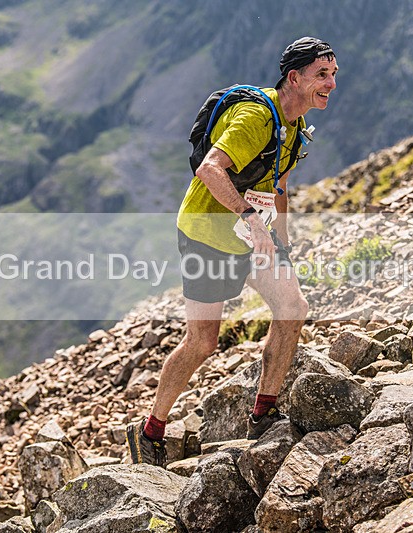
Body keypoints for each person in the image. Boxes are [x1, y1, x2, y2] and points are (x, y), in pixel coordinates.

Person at [127, 37, 338, 467]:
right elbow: (210, 169)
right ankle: (150, 430)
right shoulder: (255, 117)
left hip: (252, 234)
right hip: (208, 233)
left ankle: (263, 414)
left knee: (292, 307)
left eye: (334, 74)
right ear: (294, 78)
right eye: (322, 75)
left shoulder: (294, 126)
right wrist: (247, 216)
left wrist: (281, 234)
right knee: (202, 342)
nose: (331, 84)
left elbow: (277, 181)